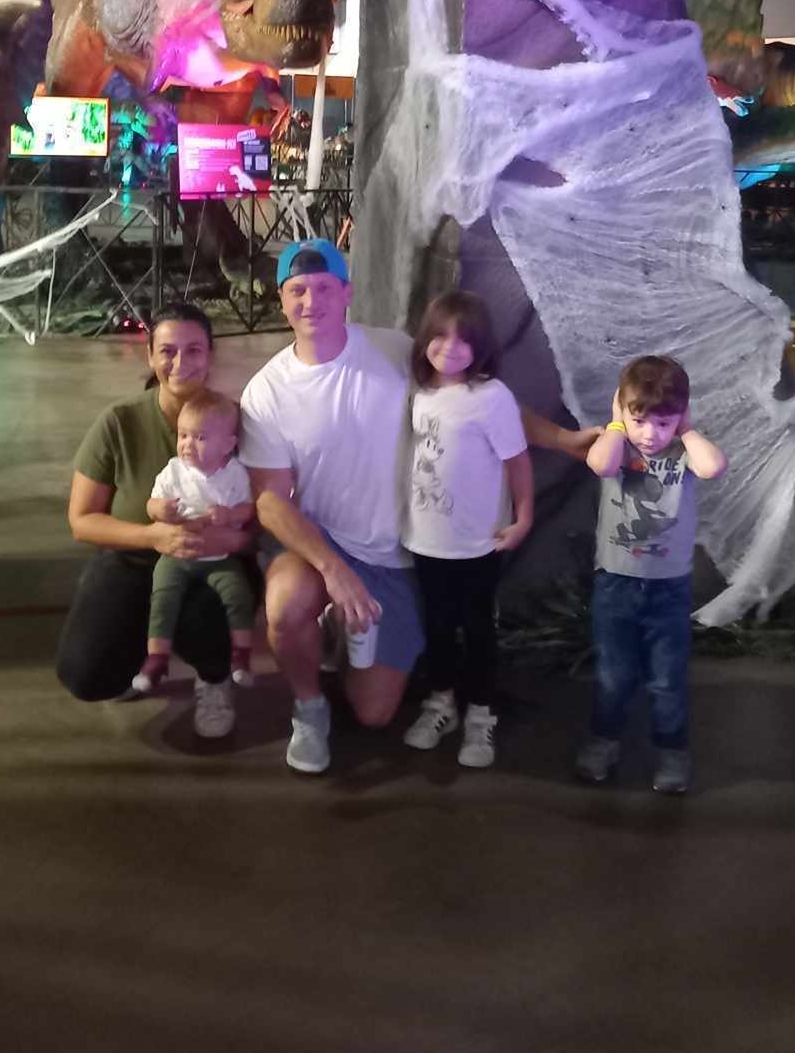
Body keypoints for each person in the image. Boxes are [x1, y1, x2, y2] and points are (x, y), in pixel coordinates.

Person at [239, 239, 595, 776]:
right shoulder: (266, 391)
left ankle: (346, 632)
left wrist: (565, 441)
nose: (311, 302)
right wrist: (332, 569)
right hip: (325, 542)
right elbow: (269, 501)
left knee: (375, 713)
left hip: (403, 553)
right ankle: (309, 708)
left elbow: (479, 403)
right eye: (298, 291)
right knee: (286, 606)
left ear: (346, 293)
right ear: (282, 299)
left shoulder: (393, 351)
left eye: (324, 288)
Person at [56, 302, 255, 738]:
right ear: (149, 356)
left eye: (194, 350)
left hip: (215, 561)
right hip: (134, 558)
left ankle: (214, 676)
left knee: (215, 609)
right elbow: (83, 520)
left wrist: (234, 540)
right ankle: (139, 657)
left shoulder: (239, 424)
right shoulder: (120, 422)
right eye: (167, 351)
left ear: (211, 355)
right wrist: (152, 536)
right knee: (86, 674)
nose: (180, 362)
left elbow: (269, 512)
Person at [574, 354, 728, 796]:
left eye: (663, 423)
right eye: (640, 420)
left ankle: (672, 750)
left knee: (666, 679)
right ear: (623, 410)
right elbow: (600, 465)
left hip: (669, 589)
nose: (650, 434)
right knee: (614, 675)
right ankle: (604, 741)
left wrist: (686, 429)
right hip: (616, 584)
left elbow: (713, 466)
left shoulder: (683, 452)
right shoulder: (618, 446)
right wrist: (616, 422)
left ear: (679, 418)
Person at [401, 291, 533, 770]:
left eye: (464, 340)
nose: (450, 348)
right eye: (440, 336)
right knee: (437, 627)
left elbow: (518, 462)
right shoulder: (419, 393)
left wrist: (524, 517)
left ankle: (481, 712)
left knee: (478, 630)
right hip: (426, 541)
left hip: (479, 544)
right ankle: (441, 704)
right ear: (425, 339)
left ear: (481, 346)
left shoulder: (491, 397)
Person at [136, 390, 259, 696]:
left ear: (228, 445)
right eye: (183, 435)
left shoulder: (235, 474)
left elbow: (249, 508)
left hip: (220, 558)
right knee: (163, 597)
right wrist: (160, 510)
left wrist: (230, 514)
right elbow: (151, 504)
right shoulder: (173, 470)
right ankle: (157, 657)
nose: (187, 444)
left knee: (238, 595)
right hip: (176, 557)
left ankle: (242, 654)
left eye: (200, 437)